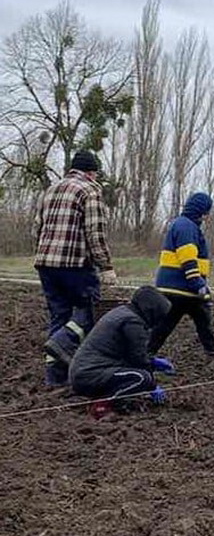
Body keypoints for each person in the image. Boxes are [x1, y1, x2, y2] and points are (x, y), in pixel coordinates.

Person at [35, 150, 118, 387]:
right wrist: (106, 265)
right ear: (91, 172)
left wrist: (44, 253)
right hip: (75, 264)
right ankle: (63, 344)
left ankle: (54, 377)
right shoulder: (90, 190)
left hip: (45, 264)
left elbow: (37, 229)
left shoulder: (50, 190)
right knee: (90, 311)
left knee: (59, 317)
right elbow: (95, 232)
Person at [149, 192, 214, 363]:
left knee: (191, 320)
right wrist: (198, 283)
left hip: (180, 287)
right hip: (181, 287)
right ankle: (145, 353)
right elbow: (187, 257)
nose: (207, 216)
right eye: (207, 211)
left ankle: (146, 352)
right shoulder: (186, 226)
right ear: (201, 211)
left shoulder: (184, 224)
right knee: (176, 323)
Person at [70, 286, 175, 418]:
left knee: (138, 375)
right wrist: (152, 386)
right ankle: (102, 406)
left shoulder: (123, 312)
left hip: (83, 372)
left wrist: (153, 362)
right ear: (152, 311)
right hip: (90, 374)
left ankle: (112, 399)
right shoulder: (133, 323)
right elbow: (138, 359)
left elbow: (130, 354)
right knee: (142, 378)